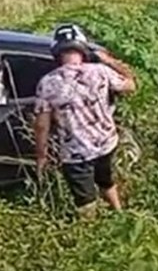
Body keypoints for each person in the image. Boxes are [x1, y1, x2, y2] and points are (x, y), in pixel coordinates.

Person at [34, 24, 136, 213]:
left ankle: (92, 233)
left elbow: (42, 125)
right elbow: (131, 85)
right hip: (106, 144)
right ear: (83, 47)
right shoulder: (100, 72)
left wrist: (41, 155)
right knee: (106, 181)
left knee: (85, 201)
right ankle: (119, 213)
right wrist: (109, 60)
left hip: (75, 153)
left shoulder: (47, 83)